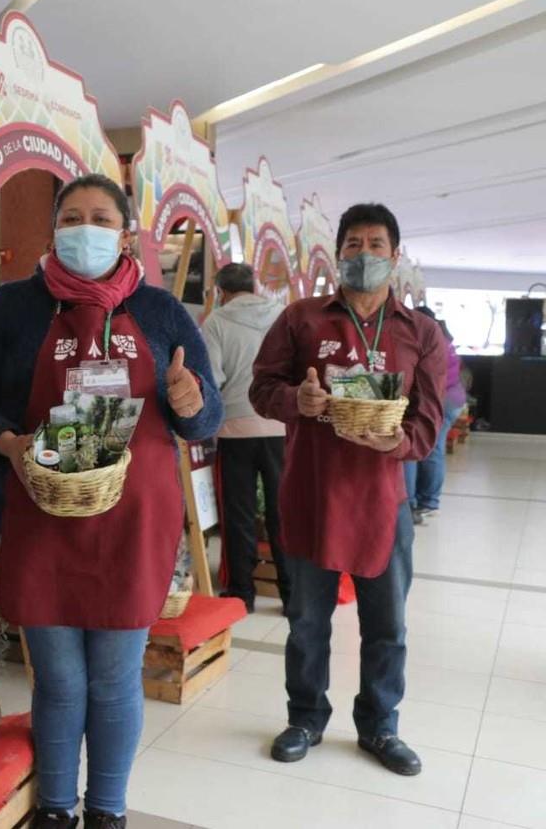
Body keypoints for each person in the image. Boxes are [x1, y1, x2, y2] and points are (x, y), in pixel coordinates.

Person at [0, 174, 222, 829]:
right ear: (53, 229)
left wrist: (192, 401)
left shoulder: (161, 313)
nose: (86, 228)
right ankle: (54, 807)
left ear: (126, 233)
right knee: (61, 678)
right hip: (41, 516)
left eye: (101, 217)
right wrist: (8, 444)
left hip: (134, 523)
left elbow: (204, 411)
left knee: (114, 675)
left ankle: (106, 809)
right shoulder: (12, 308)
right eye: (73, 216)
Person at [250, 202, 446, 777]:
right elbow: (263, 388)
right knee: (306, 621)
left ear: (395, 254)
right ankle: (306, 717)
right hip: (311, 495)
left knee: (387, 626)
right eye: (354, 244)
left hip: (384, 502)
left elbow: (430, 417)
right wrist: (297, 402)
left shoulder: (419, 332)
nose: (365, 254)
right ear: (339, 254)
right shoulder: (303, 320)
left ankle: (380, 726)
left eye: (376, 244)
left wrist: (400, 443)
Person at [201, 263, 290, 614]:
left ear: (221, 291)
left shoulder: (216, 323)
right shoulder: (283, 317)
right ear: (255, 286)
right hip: (280, 429)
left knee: (238, 513)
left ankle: (241, 594)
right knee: (282, 512)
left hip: (236, 430)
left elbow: (213, 378)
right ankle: (292, 593)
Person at [403, 305, 465, 524]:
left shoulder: (428, 339)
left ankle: (416, 503)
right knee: (429, 449)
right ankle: (426, 501)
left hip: (443, 400)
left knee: (415, 449)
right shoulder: (442, 336)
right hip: (453, 398)